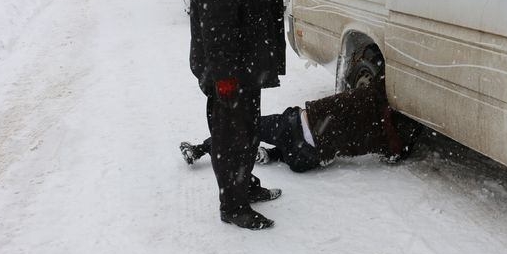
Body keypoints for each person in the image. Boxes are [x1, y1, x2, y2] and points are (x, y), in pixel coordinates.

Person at [189, 0, 285, 230]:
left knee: (247, 130)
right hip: (230, 66)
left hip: (248, 59)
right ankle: (233, 205)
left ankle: (245, 184)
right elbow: (214, 19)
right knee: (231, 135)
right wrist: (224, 75)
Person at [180, 82, 419, 173]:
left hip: (293, 125)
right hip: (307, 157)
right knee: (293, 149)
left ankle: (201, 149)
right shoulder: (391, 142)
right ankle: (273, 154)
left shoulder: (372, 96)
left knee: (245, 129)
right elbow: (393, 154)